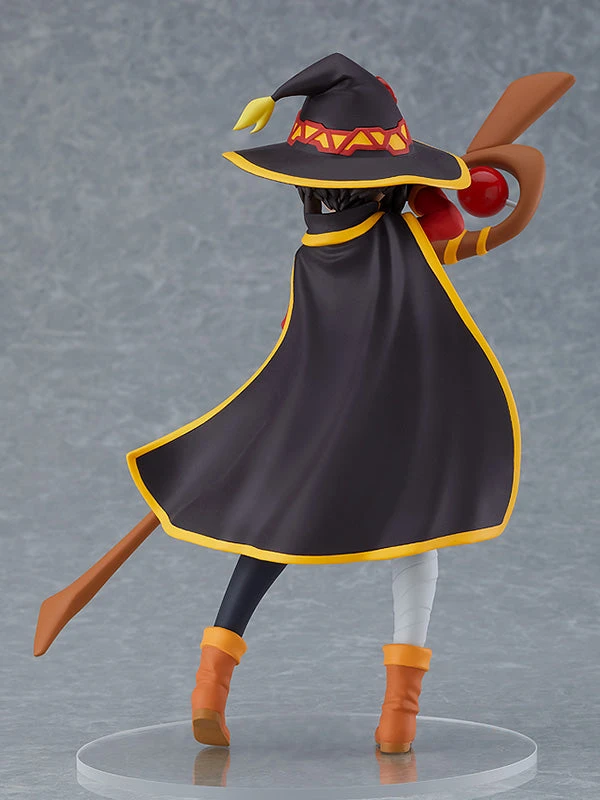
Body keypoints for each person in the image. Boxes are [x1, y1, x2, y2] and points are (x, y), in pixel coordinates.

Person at [126, 53, 520, 753]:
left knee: (270, 532)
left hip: (322, 418)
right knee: (417, 542)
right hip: (404, 419)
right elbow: (467, 239)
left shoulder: (314, 250)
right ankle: (398, 715)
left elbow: (296, 336)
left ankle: (209, 684)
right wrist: (504, 192)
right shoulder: (407, 234)